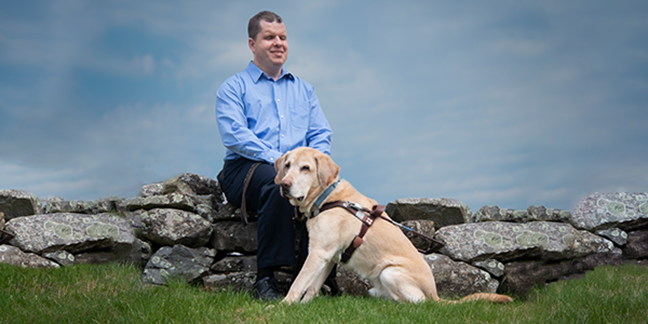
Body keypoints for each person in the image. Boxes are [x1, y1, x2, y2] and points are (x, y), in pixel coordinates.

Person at [215, 11, 333, 301]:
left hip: (298, 167)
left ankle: (310, 280)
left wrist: (317, 168)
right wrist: (281, 162)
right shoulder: (233, 88)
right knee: (277, 182)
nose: (278, 43)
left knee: (330, 193)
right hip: (246, 169)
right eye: (269, 37)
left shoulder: (305, 90)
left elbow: (321, 134)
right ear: (252, 44)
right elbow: (235, 135)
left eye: (282, 37)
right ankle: (265, 278)